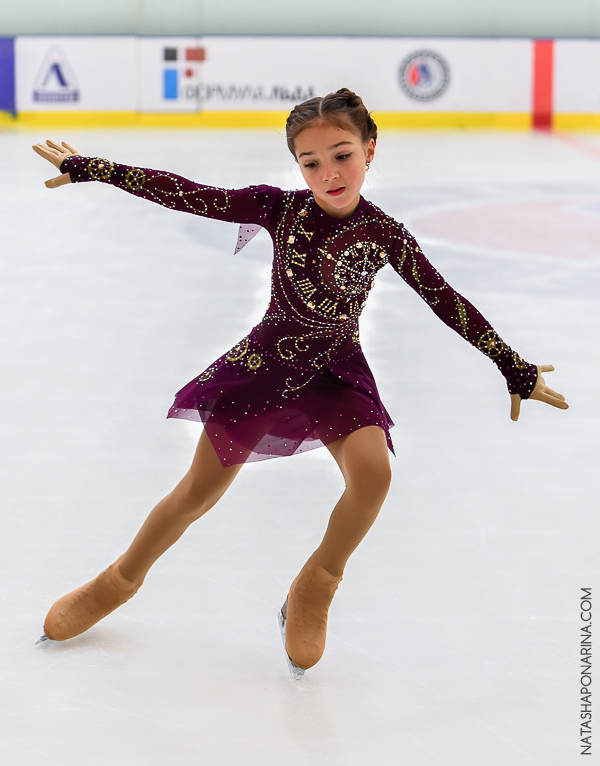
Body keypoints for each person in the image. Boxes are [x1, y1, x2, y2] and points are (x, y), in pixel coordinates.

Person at [33, 88, 568, 677]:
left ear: (369, 148)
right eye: (311, 163)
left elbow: (447, 299)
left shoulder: (386, 234)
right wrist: (92, 168)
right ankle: (120, 579)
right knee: (198, 493)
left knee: (374, 473)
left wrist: (512, 366)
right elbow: (187, 193)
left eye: (342, 155)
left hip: (337, 370)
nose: (329, 174)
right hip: (265, 366)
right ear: (296, 166)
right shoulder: (280, 209)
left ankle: (318, 581)